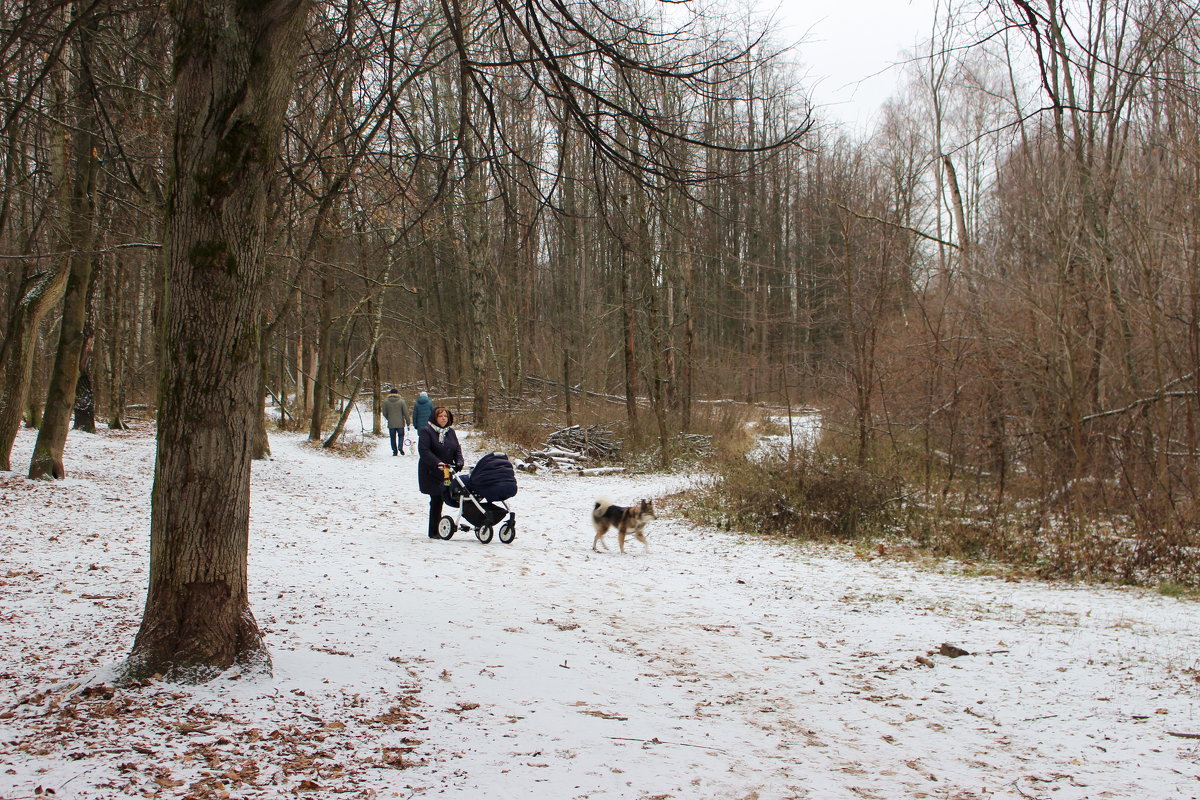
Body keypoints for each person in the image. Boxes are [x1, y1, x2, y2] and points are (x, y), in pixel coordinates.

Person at [417, 406, 463, 539]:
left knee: (445, 496)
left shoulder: (450, 432)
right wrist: (437, 463)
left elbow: (457, 449)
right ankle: (433, 531)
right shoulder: (427, 431)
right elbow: (424, 451)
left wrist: (459, 461)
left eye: (445, 416)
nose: (443, 418)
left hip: (447, 472)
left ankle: (440, 526)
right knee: (436, 498)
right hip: (431, 471)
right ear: (435, 418)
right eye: (441, 416)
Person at [381, 388, 410, 455]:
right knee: (401, 436)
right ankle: (400, 447)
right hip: (400, 423)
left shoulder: (386, 402)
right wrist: (408, 422)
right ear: (397, 393)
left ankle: (394, 451)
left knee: (392, 437)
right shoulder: (401, 401)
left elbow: (384, 413)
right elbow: (406, 413)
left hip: (391, 423)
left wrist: (389, 418)